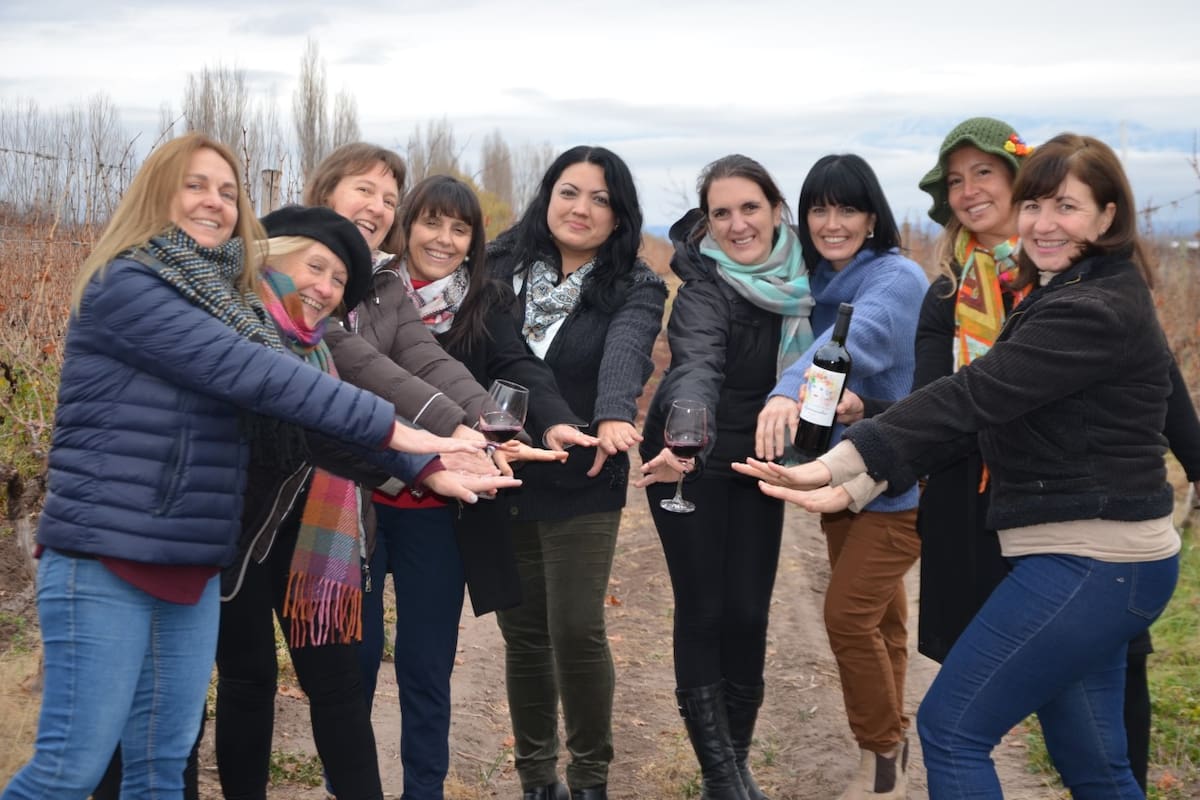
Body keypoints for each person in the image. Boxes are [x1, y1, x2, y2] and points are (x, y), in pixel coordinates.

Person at [0, 134, 478, 800]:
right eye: (195, 184)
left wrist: (424, 469)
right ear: (155, 193)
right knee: (70, 769)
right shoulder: (127, 284)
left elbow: (303, 426)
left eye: (228, 191)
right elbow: (261, 376)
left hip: (191, 561)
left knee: (159, 767)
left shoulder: (232, 304)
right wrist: (402, 429)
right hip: (106, 557)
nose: (214, 201)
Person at [738, 133, 1181, 797]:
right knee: (1094, 764)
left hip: (1092, 560)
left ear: (1108, 215)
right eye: (1034, 206)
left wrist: (846, 459)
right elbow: (970, 417)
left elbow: (972, 394)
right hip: (1088, 556)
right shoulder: (1057, 292)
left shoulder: (1089, 308)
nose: (1044, 224)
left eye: (1066, 206)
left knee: (951, 730)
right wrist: (856, 479)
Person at [212, 205, 519, 800]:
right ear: (273, 256)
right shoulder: (241, 325)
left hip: (305, 530)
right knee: (245, 682)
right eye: (316, 268)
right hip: (226, 537)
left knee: (337, 686)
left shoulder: (313, 345)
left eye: (338, 280)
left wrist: (437, 460)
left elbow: (342, 424)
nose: (325, 288)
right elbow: (330, 409)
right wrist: (425, 450)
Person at [357, 175, 599, 800]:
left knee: (426, 665)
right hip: (357, 501)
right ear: (405, 226)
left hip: (439, 508)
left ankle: (425, 790)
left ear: (474, 241)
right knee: (352, 663)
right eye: (431, 222)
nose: (443, 239)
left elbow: (519, 367)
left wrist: (555, 420)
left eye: (460, 229)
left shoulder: (483, 302)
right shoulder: (359, 290)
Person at [488, 146, 667, 800]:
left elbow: (627, 351)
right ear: (548, 196)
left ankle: (590, 778)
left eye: (600, 199)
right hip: (504, 468)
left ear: (619, 215)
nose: (581, 209)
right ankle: (538, 779)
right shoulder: (497, 265)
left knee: (575, 629)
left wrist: (615, 411)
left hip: (586, 467)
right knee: (523, 633)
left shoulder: (635, 284)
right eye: (569, 192)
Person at [633, 154, 812, 800]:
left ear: (776, 209)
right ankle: (722, 778)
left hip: (761, 458)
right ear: (706, 222)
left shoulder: (807, 276)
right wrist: (689, 439)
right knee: (705, 608)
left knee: (749, 612)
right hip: (687, 457)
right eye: (722, 213)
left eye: (750, 208)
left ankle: (733, 768)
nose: (737, 225)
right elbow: (697, 366)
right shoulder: (705, 287)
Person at [752, 155, 927, 798]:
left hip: (898, 482)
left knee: (848, 618)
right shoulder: (814, 280)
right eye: (819, 209)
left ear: (872, 217)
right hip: (843, 478)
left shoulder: (894, 278)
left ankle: (881, 759)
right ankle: (892, 743)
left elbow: (853, 340)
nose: (832, 222)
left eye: (847, 209)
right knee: (882, 623)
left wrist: (786, 392)